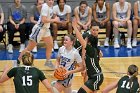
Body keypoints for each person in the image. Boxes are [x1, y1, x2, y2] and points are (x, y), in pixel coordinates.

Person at [18, 0, 59, 69]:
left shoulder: (48, 6)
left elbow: (38, 7)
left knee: (50, 45)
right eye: (49, 0)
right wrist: (54, 20)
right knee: (29, 48)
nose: (51, 1)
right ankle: (17, 61)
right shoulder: (46, 7)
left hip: (45, 29)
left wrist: (41, 11)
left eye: (52, 0)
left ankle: (48, 62)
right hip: (39, 29)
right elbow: (43, 20)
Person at [72, 20, 104, 93]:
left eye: (97, 30)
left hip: (96, 75)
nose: (95, 32)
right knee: (83, 72)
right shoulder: (88, 36)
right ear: (90, 29)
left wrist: (98, 51)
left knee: (87, 75)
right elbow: (83, 50)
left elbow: (92, 48)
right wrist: (84, 63)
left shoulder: (93, 38)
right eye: (93, 30)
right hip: (75, 53)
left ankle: (85, 88)